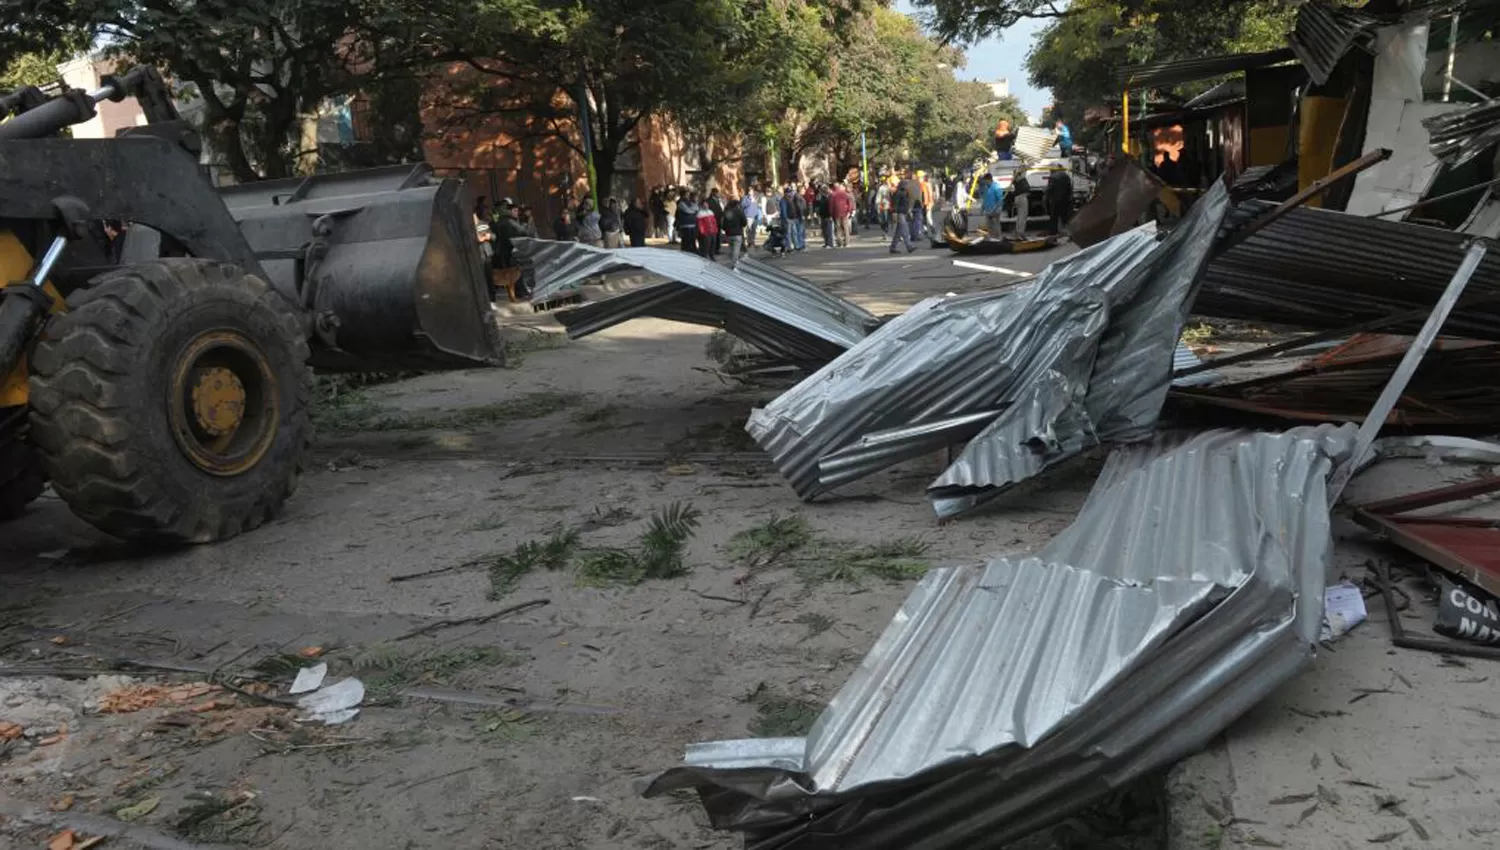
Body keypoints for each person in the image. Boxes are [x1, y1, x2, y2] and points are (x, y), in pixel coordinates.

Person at [722, 194, 748, 269]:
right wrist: (741, 226)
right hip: (737, 232)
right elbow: (744, 221)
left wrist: (726, 230)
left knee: (731, 249)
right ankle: (734, 263)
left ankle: (733, 261)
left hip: (729, 233)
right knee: (736, 249)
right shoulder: (738, 211)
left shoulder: (727, 212)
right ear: (736, 205)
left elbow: (724, 223)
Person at [889, 180, 914, 254]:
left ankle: (893, 247)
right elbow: (895, 204)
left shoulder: (903, 193)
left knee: (898, 232)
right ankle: (909, 246)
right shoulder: (899, 193)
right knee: (905, 230)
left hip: (902, 213)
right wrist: (895, 213)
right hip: (900, 213)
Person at [1045, 168, 1074, 234]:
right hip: (1065, 199)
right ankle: (1069, 232)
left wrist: (1046, 194)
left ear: (1052, 171)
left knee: (1054, 217)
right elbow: (1070, 188)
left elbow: (1050, 189)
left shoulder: (1053, 177)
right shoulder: (1066, 176)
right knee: (1065, 217)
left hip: (1056, 200)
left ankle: (1053, 232)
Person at [779, 186, 806, 251]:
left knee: (794, 233)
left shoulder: (790, 199)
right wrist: (785, 219)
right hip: (787, 219)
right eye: (788, 192)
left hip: (792, 218)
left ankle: (796, 246)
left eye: (790, 192)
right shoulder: (783, 200)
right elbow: (783, 210)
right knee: (788, 233)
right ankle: (789, 247)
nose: (790, 193)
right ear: (785, 193)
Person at [980, 173, 1006, 237]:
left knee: (996, 226)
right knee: (989, 227)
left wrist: (995, 210)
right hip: (988, 211)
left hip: (995, 211)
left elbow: (1000, 200)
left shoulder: (996, 187)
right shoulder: (986, 188)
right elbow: (984, 199)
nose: (984, 182)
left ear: (988, 180)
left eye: (984, 180)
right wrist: (982, 209)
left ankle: (998, 239)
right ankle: (992, 239)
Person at [829, 182, 853, 248]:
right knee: (845, 228)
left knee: (838, 228)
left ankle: (840, 243)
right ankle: (847, 242)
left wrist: (831, 214)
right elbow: (850, 203)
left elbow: (831, 205)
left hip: (836, 213)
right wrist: (849, 211)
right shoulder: (845, 194)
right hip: (844, 212)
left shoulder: (833, 195)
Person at [1011, 168, 1031, 236]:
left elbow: (1024, 170)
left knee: (1021, 215)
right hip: (1021, 197)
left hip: (1021, 197)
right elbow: (1024, 170)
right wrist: (1021, 169)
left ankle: (1018, 231)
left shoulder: (1018, 179)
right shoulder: (1019, 179)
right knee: (1023, 215)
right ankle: (1020, 232)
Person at [706, 189, 726, 259]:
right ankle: (712, 250)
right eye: (717, 193)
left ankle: (717, 249)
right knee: (713, 236)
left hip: (718, 219)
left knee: (718, 235)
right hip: (713, 220)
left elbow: (720, 209)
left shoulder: (718, 200)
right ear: (714, 193)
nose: (718, 194)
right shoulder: (709, 200)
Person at [816, 184, 834, 249]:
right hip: (823, 215)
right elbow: (819, 205)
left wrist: (831, 215)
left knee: (829, 230)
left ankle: (830, 243)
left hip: (828, 215)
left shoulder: (829, 197)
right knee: (824, 230)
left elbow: (830, 207)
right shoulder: (822, 198)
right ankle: (826, 243)